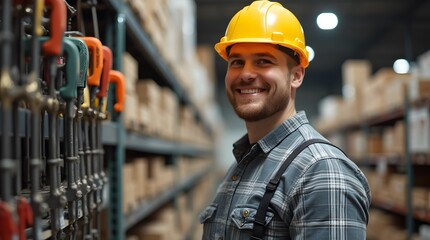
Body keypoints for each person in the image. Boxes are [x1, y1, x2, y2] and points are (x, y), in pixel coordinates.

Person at [199, 1, 371, 239]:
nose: (246, 74)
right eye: (237, 62)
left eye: (263, 61)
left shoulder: (321, 172)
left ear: (296, 76)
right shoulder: (243, 162)